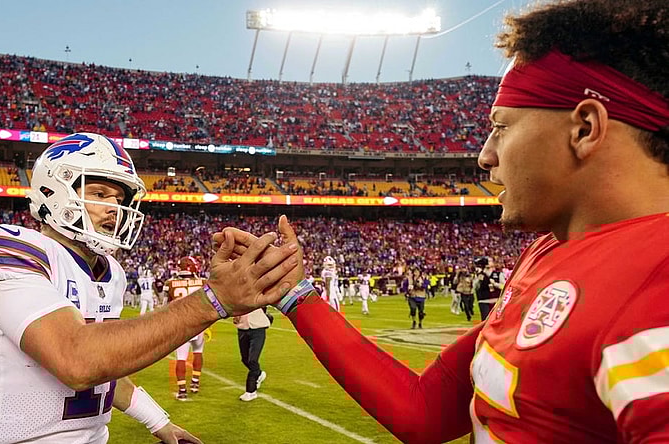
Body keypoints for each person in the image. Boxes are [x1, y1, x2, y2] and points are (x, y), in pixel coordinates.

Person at [214, 0, 669, 441]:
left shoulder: (656, 286)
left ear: (585, 127)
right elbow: (426, 409)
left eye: (502, 127)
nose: (486, 156)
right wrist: (295, 293)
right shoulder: (550, 251)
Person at [0, 132, 301, 444]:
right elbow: (77, 360)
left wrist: (159, 422)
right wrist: (215, 299)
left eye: (119, 198)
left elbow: (104, 370)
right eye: (99, 193)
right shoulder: (6, 247)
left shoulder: (112, 273)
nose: (114, 209)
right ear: (53, 190)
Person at [164, 256, 207, 401]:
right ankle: (195, 383)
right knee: (198, 352)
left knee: (181, 358)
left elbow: (166, 307)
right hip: (199, 324)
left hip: (181, 325)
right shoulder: (203, 282)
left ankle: (182, 390)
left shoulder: (170, 283)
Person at [233, 307, 270, 402]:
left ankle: (251, 391)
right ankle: (259, 373)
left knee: (252, 360)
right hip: (242, 329)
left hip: (258, 328)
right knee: (245, 359)